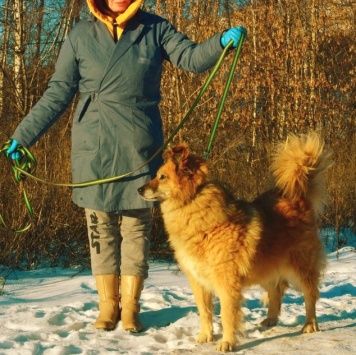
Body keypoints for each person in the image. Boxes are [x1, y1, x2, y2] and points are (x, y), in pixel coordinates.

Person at [6, 0, 246, 333]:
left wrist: (219, 42)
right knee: (100, 229)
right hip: (94, 149)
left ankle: (131, 307)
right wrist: (24, 136)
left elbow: (191, 58)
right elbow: (58, 92)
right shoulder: (79, 34)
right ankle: (108, 306)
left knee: (135, 230)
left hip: (141, 150)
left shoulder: (155, 28)